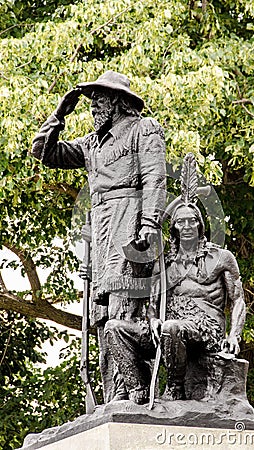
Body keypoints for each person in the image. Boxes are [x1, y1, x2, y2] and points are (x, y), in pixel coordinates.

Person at [32, 70, 166, 404]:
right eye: (91, 100)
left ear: (120, 101)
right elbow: (42, 153)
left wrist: (148, 225)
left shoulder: (142, 129)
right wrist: (60, 113)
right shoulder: (91, 143)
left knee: (125, 304)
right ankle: (112, 397)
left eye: (100, 98)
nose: (93, 106)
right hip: (101, 225)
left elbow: (155, 178)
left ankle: (135, 391)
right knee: (101, 313)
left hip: (130, 219)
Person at [149, 202, 246, 401]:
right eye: (180, 222)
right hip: (171, 327)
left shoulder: (221, 258)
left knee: (171, 327)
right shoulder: (164, 263)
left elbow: (238, 300)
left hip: (207, 326)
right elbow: (152, 304)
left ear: (200, 224)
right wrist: (152, 319)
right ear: (173, 228)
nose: (186, 227)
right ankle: (136, 391)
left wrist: (234, 335)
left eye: (191, 221)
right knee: (116, 329)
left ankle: (175, 388)